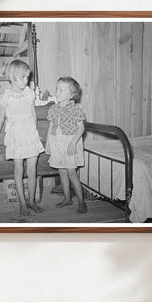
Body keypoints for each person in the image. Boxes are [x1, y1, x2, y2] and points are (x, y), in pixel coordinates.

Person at [0, 60, 44, 216]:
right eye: (23, 77)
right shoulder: (5, 97)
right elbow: (0, 118)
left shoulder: (29, 93)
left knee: (33, 169)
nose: (26, 80)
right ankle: (22, 203)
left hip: (30, 134)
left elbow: (33, 114)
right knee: (19, 169)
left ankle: (32, 201)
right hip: (16, 135)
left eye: (27, 77)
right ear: (12, 77)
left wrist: (35, 132)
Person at [46, 76, 88, 214]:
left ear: (72, 95)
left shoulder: (75, 109)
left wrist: (73, 142)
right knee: (62, 171)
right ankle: (67, 198)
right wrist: (48, 144)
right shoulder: (53, 108)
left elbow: (81, 128)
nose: (57, 92)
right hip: (57, 142)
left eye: (61, 90)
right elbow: (51, 127)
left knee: (71, 172)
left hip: (70, 142)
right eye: (57, 89)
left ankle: (81, 201)